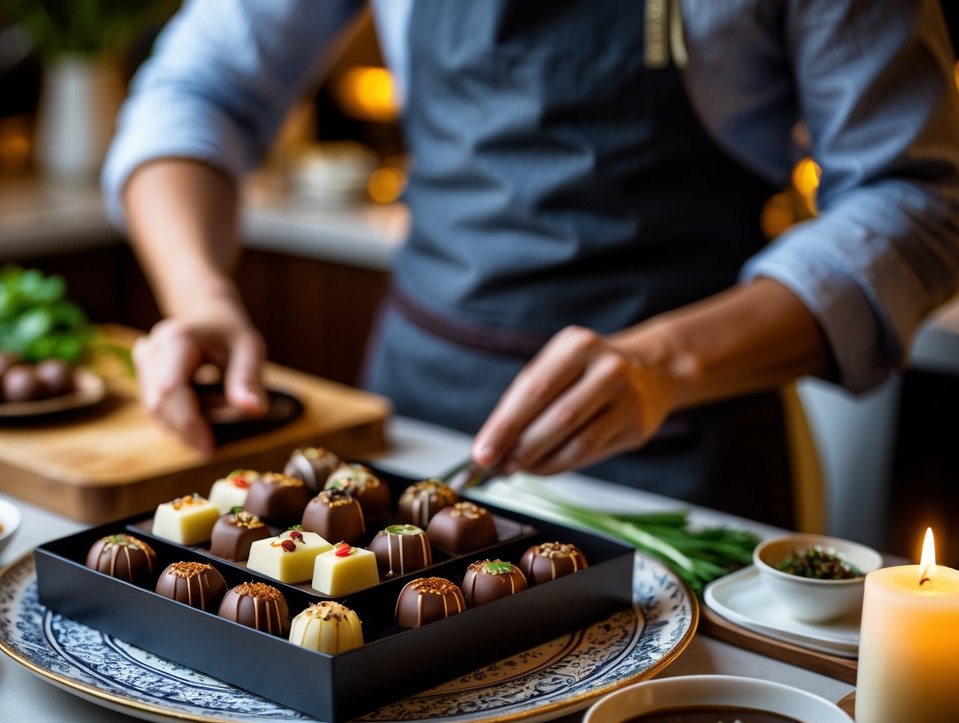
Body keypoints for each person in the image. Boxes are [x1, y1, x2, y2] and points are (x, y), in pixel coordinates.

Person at [102, 0, 959, 527]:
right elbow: (196, 89)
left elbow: (919, 201)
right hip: (412, 421)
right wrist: (201, 296)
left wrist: (661, 365)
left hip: (683, 453)